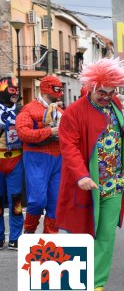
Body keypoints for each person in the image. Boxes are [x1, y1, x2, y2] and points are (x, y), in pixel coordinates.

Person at [55, 58, 124, 291]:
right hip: (87, 185)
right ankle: (72, 279)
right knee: (82, 233)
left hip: (114, 184)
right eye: (102, 92)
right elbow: (69, 147)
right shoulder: (73, 112)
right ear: (90, 87)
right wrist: (82, 175)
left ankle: (96, 285)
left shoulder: (116, 105)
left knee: (105, 235)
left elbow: (123, 132)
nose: (107, 96)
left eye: (111, 92)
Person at [16, 75, 64, 236]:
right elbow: (23, 133)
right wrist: (49, 131)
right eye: (57, 89)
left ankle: (51, 239)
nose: (60, 93)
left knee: (55, 203)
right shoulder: (29, 109)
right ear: (47, 89)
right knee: (37, 201)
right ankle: (29, 231)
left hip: (58, 158)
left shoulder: (60, 111)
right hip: (36, 157)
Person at [0, 77, 24, 250]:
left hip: (16, 159)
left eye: (16, 90)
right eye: (11, 90)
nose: (15, 93)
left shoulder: (22, 111)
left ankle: (15, 237)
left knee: (16, 201)